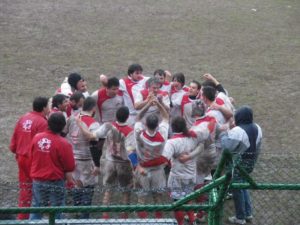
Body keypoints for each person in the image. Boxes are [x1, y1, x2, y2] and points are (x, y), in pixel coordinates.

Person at [77, 106, 136, 219]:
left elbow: (90, 135)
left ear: (116, 116)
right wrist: (136, 167)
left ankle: (105, 218)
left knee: (108, 191)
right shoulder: (129, 131)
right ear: (128, 117)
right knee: (126, 192)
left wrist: (80, 124)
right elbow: (131, 152)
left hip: (109, 162)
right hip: (123, 164)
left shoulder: (108, 126)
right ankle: (124, 219)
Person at [29, 113, 75, 220]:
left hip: (38, 179)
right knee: (57, 208)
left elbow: (32, 156)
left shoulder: (37, 138)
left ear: (48, 123)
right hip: (56, 181)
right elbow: (69, 166)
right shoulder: (64, 143)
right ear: (63, 126)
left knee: (37, 207)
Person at [221, 106, 262, 225]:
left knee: (237, 189)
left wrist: (225, 132)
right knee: (243, 186)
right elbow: (259, 146)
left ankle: (240, 217)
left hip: (239, 164)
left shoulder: (237, 131)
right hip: (251, 162)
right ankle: (248, 213)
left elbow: (227, 147)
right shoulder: (257, 127)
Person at [9, 97, 49, 220]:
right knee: (39, 189)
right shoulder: (43, 123)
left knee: (25, 189)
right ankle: (36, 218)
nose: (49, 108)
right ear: (43, 108)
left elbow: (13, 144)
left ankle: (23, 217)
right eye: (48, 106)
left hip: (21, 158)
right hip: (34, 161)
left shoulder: (23, 118)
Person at [64, 97, 101, 219]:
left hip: (73, 159)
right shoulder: (93, 123)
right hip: (87, 160)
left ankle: (76, 211)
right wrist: (97, 165)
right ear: (93, 108)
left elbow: (63, 134)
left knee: (77, 186)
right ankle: (84, 217)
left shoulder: (72, 118)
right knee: (88, 188)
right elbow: (95, 145)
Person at [134, 98, 169, 219]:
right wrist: (158, 104)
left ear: (146, 124)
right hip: (158, 170)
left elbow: (138, 117)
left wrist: (148, 104)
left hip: (143, 170)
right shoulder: (163, 134)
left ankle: (141, 221)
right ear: (157, 125)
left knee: (141, 198)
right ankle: (159, 220)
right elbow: (166, 117)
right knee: (157, 197)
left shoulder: (139, 133)